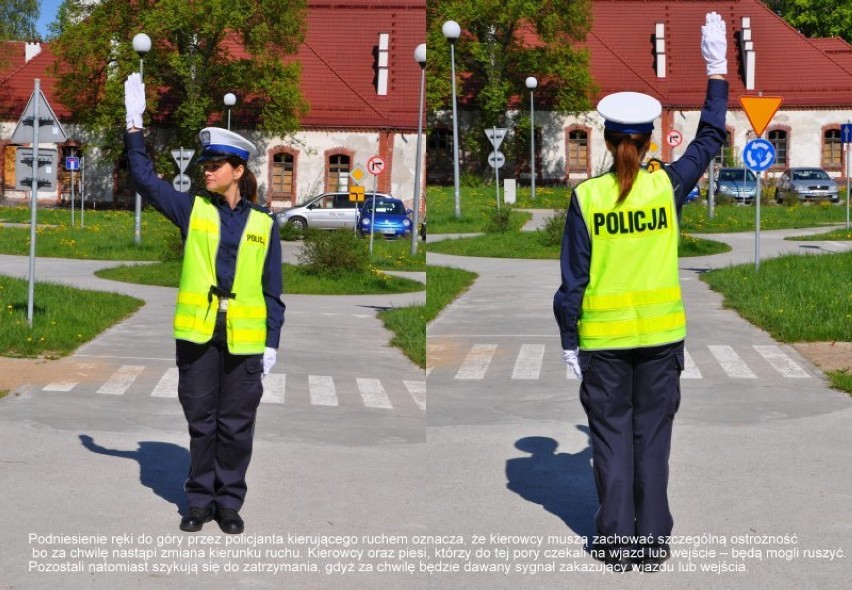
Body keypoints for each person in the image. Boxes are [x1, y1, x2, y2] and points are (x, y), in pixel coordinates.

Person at [553, 13, 729, 571]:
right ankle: (651, 546)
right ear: (650, 138)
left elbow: (572, 283)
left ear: (606, 139)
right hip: (660, 339)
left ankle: (615, 544)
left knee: (610, 441)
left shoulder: (587, 200)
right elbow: (709, 137)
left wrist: (568, 341)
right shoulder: (668, 185)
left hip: (602, 344)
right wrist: (717, 70)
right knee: (651, 441)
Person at [123, 72, 285, 534]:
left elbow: (273, 289)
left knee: (236, 428)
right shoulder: (190, 210)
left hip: (245, 341)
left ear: (238, 170)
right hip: (198, 334)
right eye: (204, 164)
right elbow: (143, 179)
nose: (206, 171)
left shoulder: (264, 224)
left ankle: (229, 502)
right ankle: (198, 501)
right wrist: (134, 126)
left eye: (215, 164)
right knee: (201, 422)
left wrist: (272, 340)